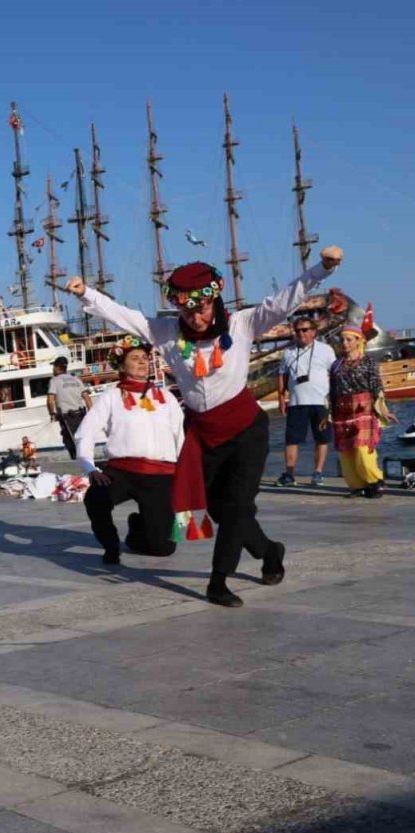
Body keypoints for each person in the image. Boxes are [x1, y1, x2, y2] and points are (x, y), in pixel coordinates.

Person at [67, 246, 344, 608]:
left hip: (245, 430)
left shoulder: (243, 323)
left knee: (239, 505)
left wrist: (322, 268)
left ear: (214, 301)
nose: (195, 317)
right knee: (221, 510)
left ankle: (218, 581)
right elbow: (124, 316)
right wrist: (86, 294)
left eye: (201, 309)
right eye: (187, 311)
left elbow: (285, 300)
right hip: (204, 435)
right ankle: (270, 551)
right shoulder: (167, 332)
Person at [75, 337, 184, 565]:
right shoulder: (111, 397)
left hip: (160, 474)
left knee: (163, 548)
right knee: (96, 498)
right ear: (122, 366)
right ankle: (111, 546)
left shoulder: (166, 398)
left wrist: (185, 472)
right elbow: (86, 432)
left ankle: (137, 528)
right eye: (135, 358)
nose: (143, 362)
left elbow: (180, 437)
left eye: (145, 358)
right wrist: (90, 468)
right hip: (122, 471)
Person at [325, 308, 397, 499]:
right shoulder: (336, 365)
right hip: (342, 411)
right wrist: (327, 414)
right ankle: (357, 485)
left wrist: (383, 410)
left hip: (363, 409)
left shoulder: (368, 362)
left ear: (359, 341)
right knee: (345, 452)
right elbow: (332, 391)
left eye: (349, 340)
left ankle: (375, 481)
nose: (345, 343)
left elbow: (377, 388)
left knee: (362, 449)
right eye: (343, 340)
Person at [276, 317, 335, 487]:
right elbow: (282, 375)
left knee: (322, 438)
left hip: (321, 401)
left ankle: (318, 472)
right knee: (291, 439)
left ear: (314, 331)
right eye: (297, 330)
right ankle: (289, 474)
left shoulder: (325, 350)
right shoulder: (288, 352)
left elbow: (334, 373)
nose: (301, 333)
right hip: (296, 402)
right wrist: (281, 398)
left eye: (305, 330)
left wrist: (335, 399)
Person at [47, 356, 92, 460]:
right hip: (82, 416)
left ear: (57, 367)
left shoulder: (54, 381)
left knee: (72, 445)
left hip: (67, 419)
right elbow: (87, 398)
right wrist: (91, 414)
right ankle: (89, 463)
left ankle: (78, 465)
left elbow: (50, 400)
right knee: (83, 443)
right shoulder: (76, 379)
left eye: (53, 367)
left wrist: (52, 414)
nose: (53, 369)